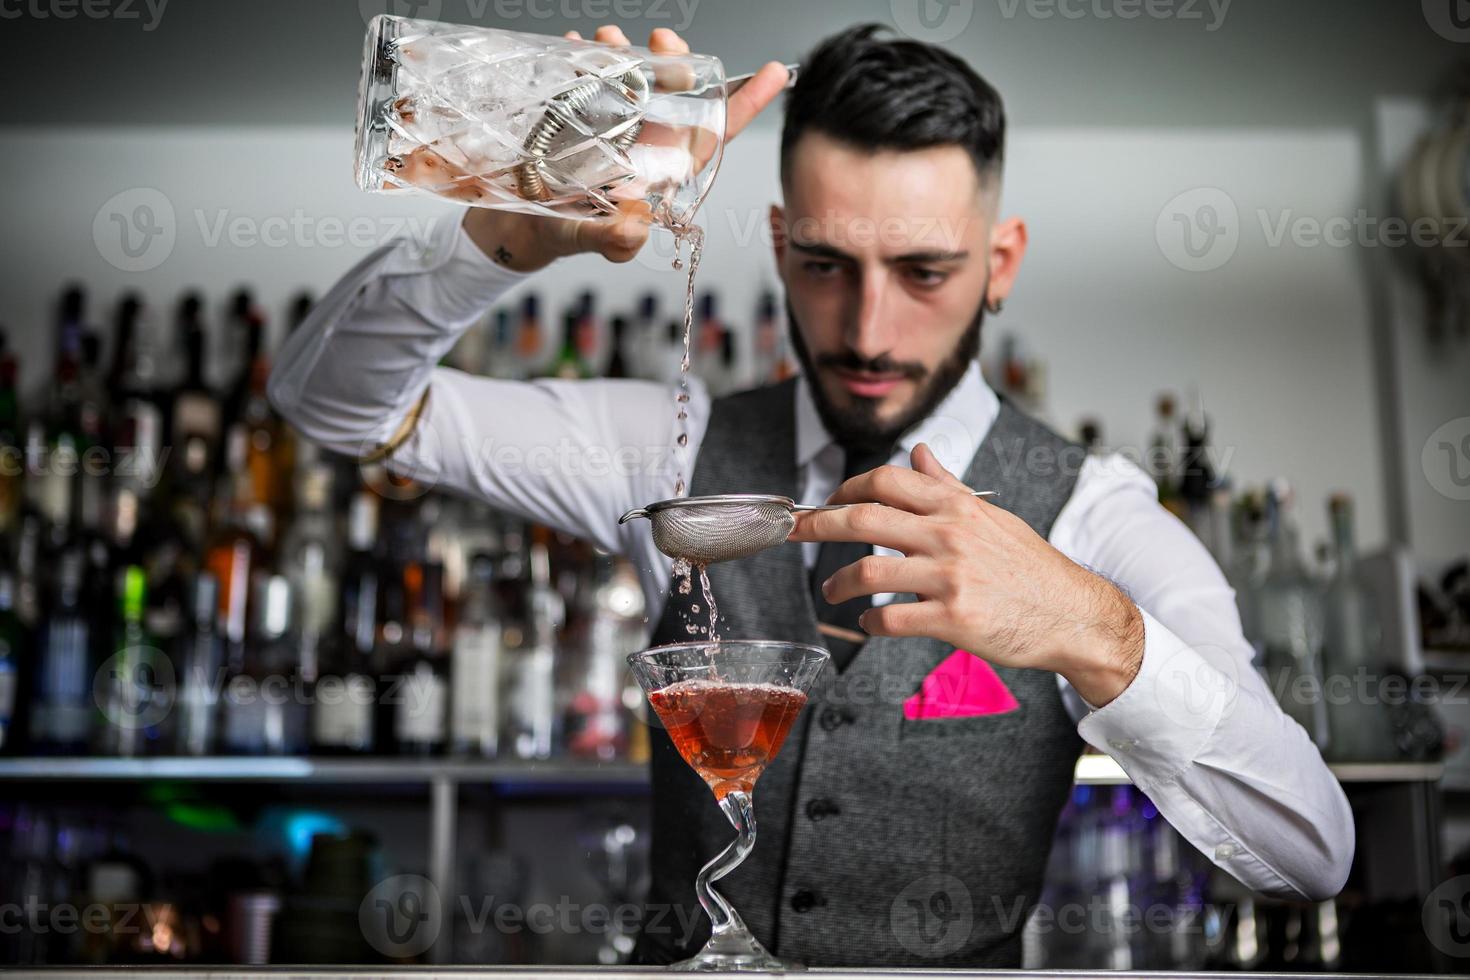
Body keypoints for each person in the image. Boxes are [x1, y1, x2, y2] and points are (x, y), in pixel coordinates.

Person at [270, 23, 1353, 968]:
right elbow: (332, 405)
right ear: (782, 244)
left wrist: (1092, 625)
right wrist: (503, 239)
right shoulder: (671, 447)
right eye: (829, 265)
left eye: (925, 272)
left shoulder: (1095, 515)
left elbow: (1314, 851)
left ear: (1001, 262)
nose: (870, 330)